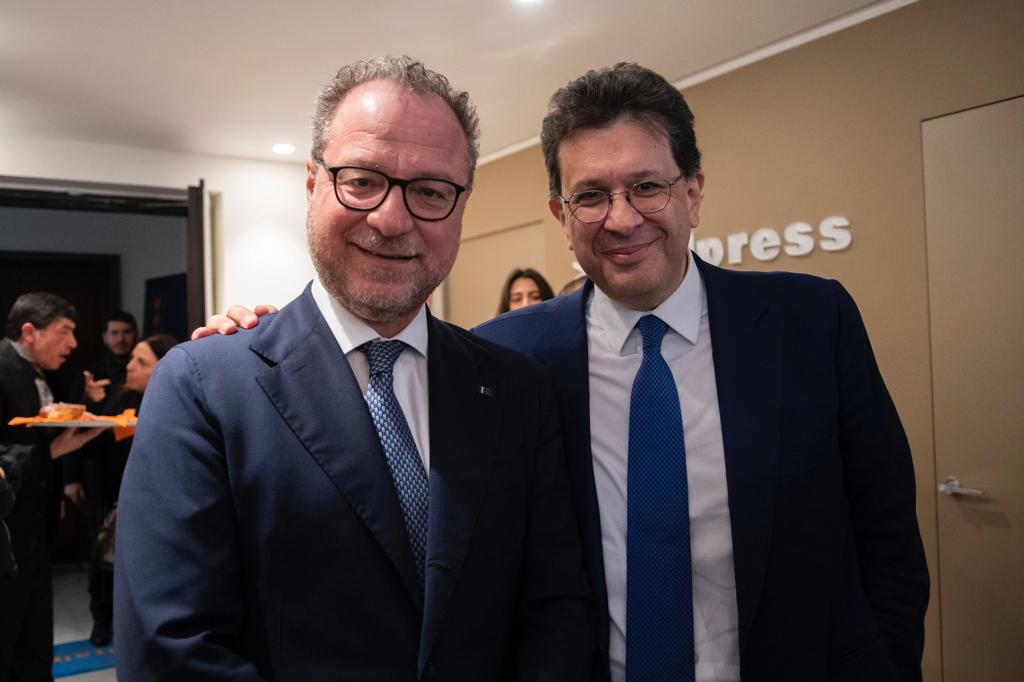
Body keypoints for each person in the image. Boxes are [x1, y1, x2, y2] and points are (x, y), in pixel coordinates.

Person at [207, 62, 930, 682]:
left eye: (647, 186)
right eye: (590, 195)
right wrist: (262, 338)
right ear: (560, 212)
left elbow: (888, 534)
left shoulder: (811, 323)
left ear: (693, 192)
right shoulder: (507, 361)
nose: (621, 219)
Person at [115, 56, 593, 681]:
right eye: (362, 181)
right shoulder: (204, 387)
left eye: (430, 191)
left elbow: (555, 608)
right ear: (312, 183)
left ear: (461, 207)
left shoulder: (515, 389)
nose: (391, 220)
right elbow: (171, 648)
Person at [0, 292, 103, 681]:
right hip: (8, 530)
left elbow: (39, 439)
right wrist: (55, 450)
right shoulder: (2, 367)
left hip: (34, 524)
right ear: (30, 332)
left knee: (33, 638)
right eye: (65, 331)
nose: (73, 344)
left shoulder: (36, 370)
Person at [72, 333, 175, 647]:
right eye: (131, 359)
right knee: (103, 567)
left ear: (162, 369)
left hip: (155, 506)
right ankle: (102, 623)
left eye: (141, 362)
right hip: (110, 498)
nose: (129, 366)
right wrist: (93, 404)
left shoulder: (173, 404)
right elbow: (92, 448)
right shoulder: (119, 398)